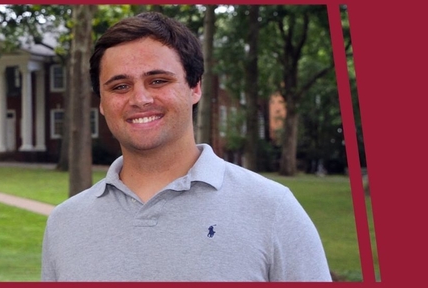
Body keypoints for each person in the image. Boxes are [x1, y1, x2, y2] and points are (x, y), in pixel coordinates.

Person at [41, 11, 332, 282]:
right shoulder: (65, 224)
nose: (140, 99)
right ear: (102, 103)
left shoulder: (272, 210)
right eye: (120, 86)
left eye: (157, 80)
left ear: (195, 88)